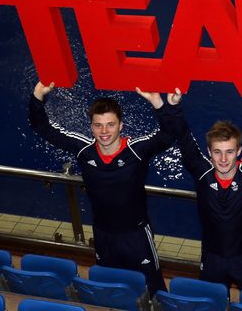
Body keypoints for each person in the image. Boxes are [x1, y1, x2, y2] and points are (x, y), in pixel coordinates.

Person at [29, 81, 176, 295]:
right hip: (103, 234)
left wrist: (158, 104)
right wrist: (37, 95)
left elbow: (169, 135)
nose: (104, 131)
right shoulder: (84, 151)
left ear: (121, 126)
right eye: (98, 125)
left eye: (110, 124)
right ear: (91, 127)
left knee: (154, 288)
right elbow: (42, 128)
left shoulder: (136, 151)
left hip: (136, 236)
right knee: (109, 286)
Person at [162, 89, 242, 290]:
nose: (223, 159)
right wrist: (174, 107)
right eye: (217, 152)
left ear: (239, 152)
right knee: (211, 304)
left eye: (229, 152)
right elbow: (185, 139)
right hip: (212, 257)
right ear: (209, 153)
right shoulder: (202, 173)